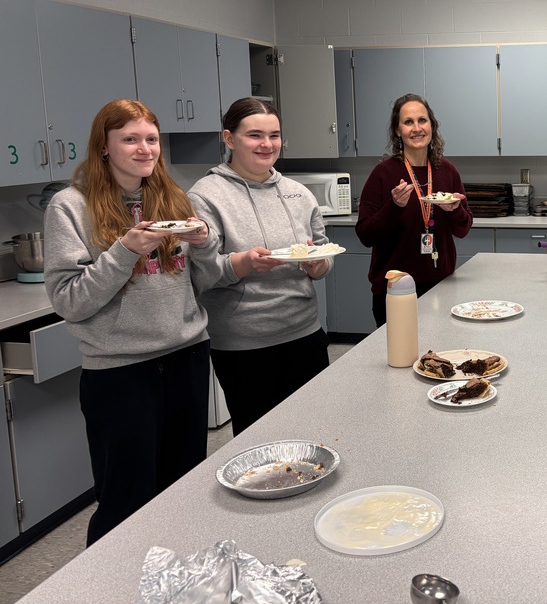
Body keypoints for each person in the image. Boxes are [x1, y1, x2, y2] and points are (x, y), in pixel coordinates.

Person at [43, 99, 211, 545]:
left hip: (186, 356)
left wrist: (206, 244)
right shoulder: (70, 206)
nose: (144, 149)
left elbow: (198, 279)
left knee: (184, 488)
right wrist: (124, 250)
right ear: (104, 146)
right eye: (130, 139)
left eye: (151, 139)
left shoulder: (173, 197)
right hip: (120, 372)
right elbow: (70, 301)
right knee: (125, 502)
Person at [188, 98, 331, 436]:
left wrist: (316, 264)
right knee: (260, 441)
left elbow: (324, 258)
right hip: (244, 345)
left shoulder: (298, 194)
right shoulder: (204, 197)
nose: (267, 144)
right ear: (229, 138)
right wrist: (243, 263)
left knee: (316, 432)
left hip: (305, 333)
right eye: (255, 135)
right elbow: (201, 274)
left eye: (274, 135)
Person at [357, 94, 473, 327]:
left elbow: (463, 229)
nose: (417, 128)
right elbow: (365, 235)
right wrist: (394, 206)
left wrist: (454, 210)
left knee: (441, 359)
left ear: (432, 125)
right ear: (397, 130)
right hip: (397, 291)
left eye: (422, 120)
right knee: (401, 359)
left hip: (442, 287)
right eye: (408, 122)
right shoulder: (383, 173)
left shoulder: (447, 171)